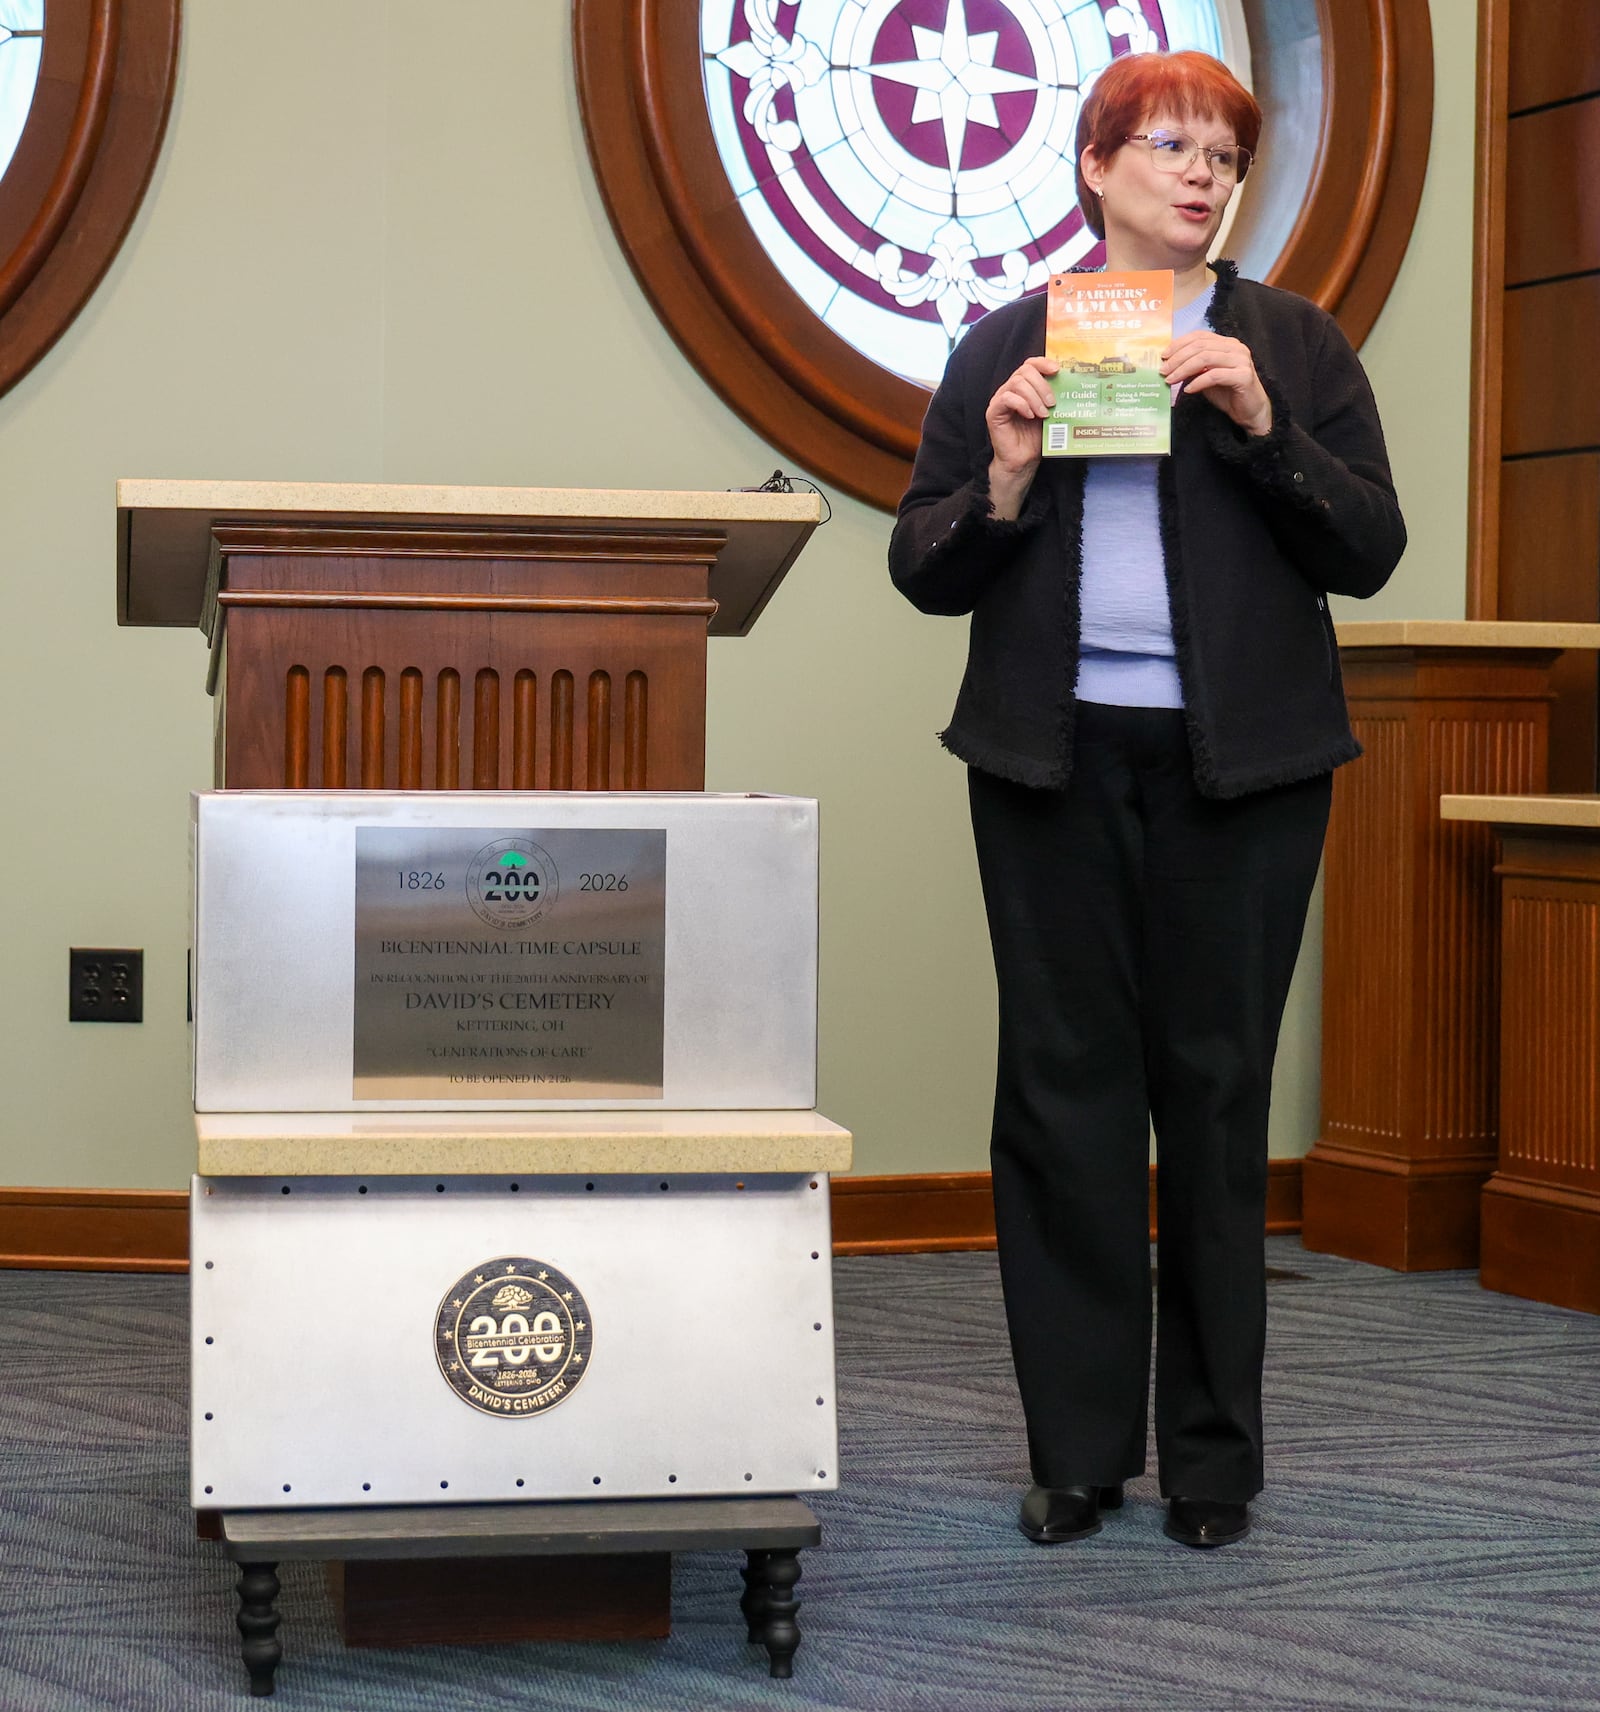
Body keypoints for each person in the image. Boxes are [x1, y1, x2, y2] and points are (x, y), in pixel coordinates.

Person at [888, 50, 1404, 1550]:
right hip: (1051, 764)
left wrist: (1262, 429)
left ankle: (1215, 1466)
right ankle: (1078, 1452)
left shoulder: (1293, 345)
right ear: (1099, 167)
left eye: (1224, 156)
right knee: (1062, 1107)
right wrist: (1001, 473)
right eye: (1169, 146)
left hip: (1241, 772)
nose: (1201, 174)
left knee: (1218, 1099)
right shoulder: (1006, 342)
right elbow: (926, 568)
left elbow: (1367, 551)